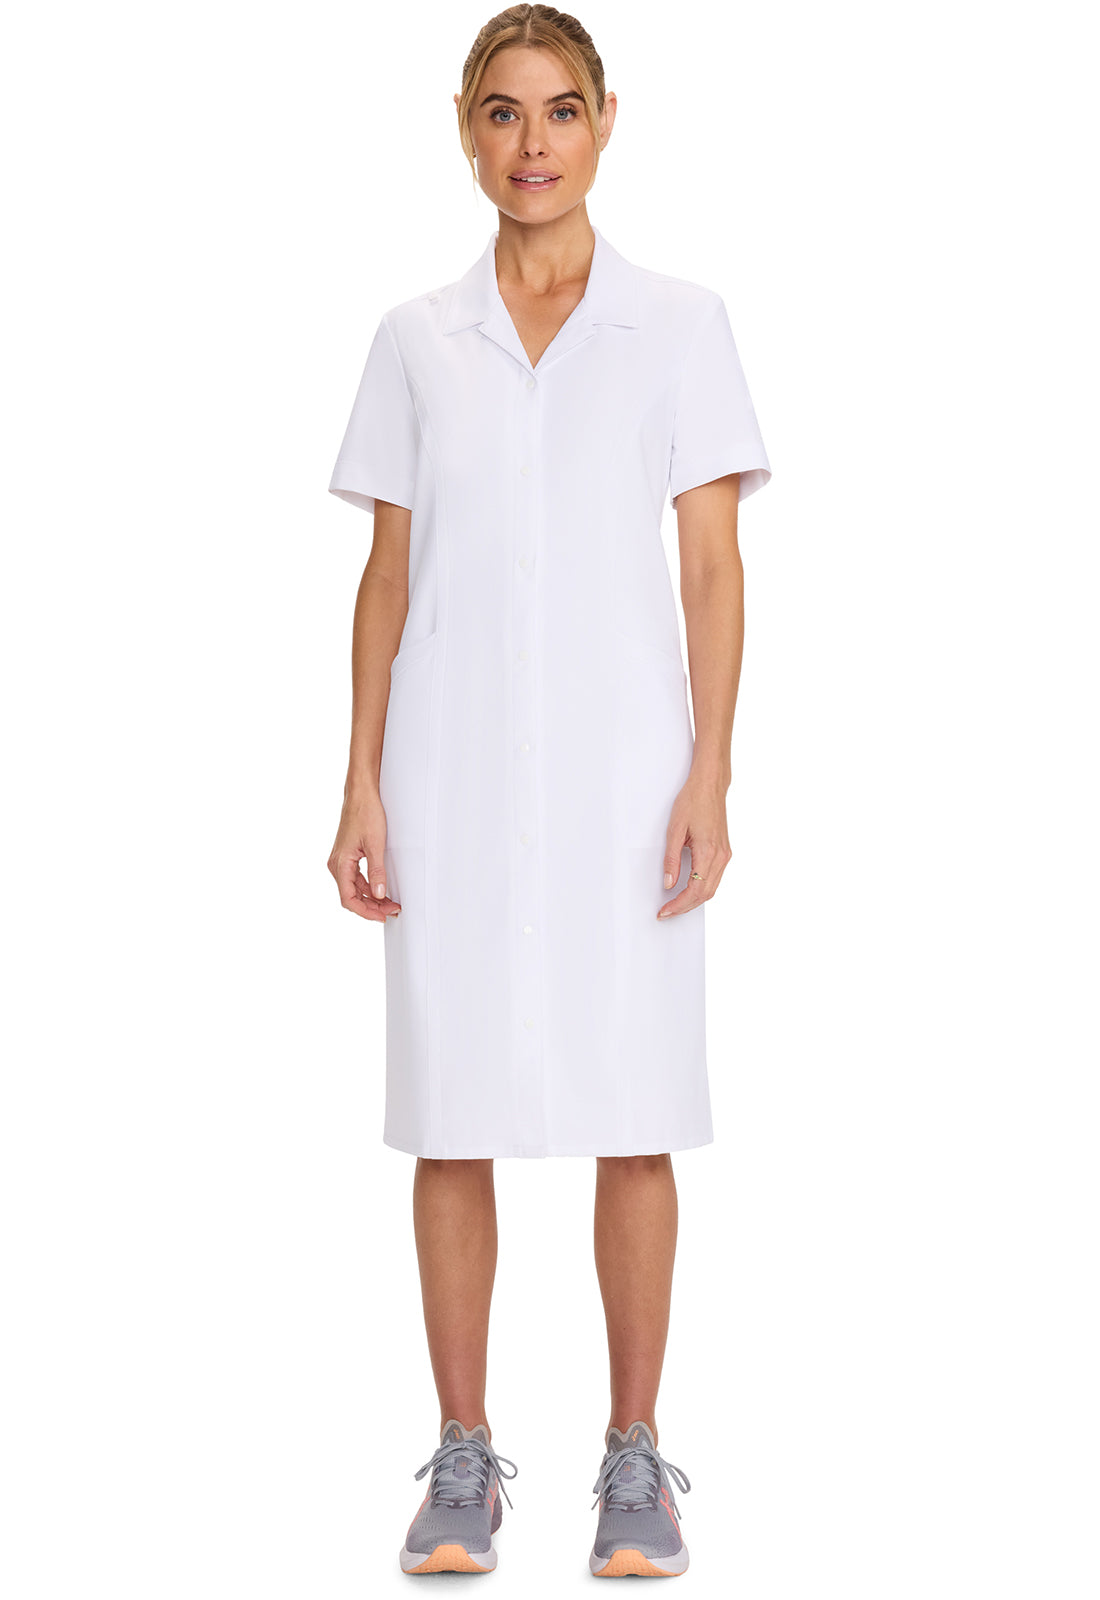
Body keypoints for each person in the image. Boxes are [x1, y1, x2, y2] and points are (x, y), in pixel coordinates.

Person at [326, 5, 771, 1579]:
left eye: (561, 109)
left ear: (605, 122)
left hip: (627, 773)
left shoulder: (680, 325)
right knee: (451, 1113)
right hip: (448, 768)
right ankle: (463, 1457)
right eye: (504, 113)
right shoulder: (415, 338)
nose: (533, 143)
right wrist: (360, 779)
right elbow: (388, 577)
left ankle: (633, 1460)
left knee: (633, 1109)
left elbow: (711, 569)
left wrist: (711, 768)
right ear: (467, 130)